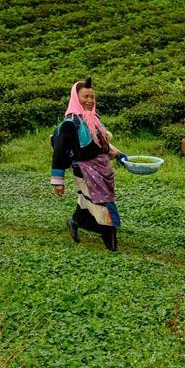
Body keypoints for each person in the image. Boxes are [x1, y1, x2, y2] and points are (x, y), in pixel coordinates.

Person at [51, 78, 128, 252]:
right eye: (85, 96)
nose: (90, 101)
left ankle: (76, 220)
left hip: (101, 168)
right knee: (103, 204)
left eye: (92, 97)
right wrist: (58, 180)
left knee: (88, 201)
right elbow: (59, 152)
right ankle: (112, 247)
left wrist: (120, 156)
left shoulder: (94, 118)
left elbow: (103, 145)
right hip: (85, 170)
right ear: (75, 98)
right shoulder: (70, 124)